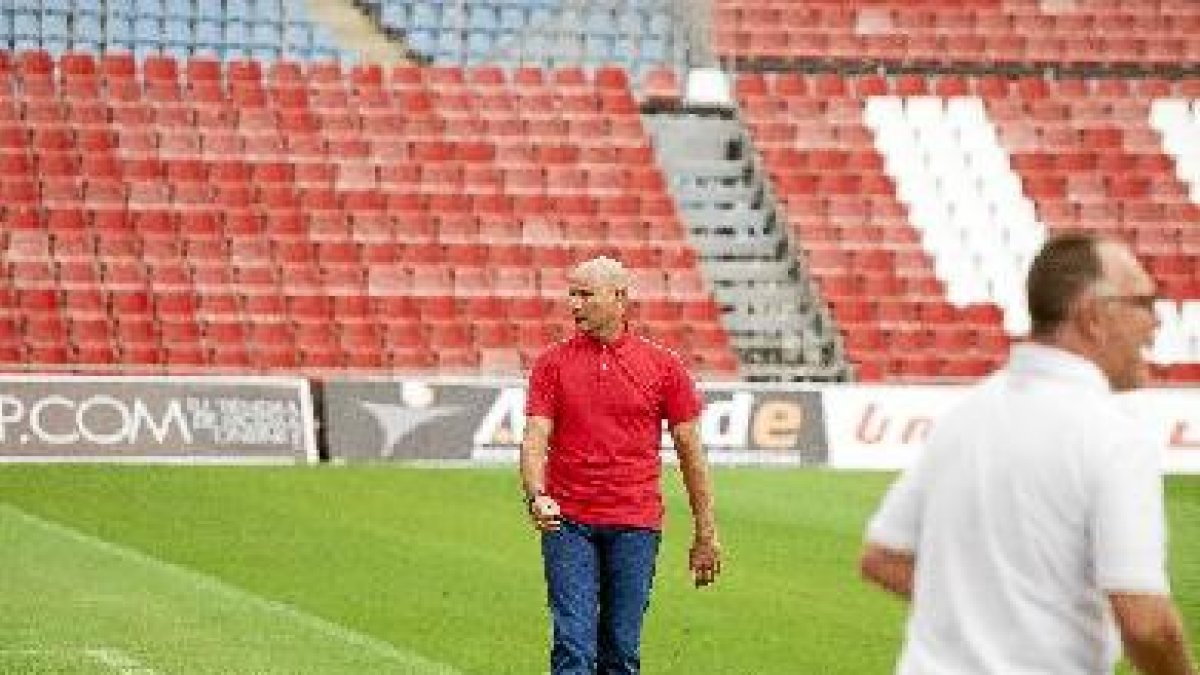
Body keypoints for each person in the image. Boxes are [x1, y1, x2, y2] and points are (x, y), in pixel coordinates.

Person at [860, 233, 1197, 675]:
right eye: (1144, 303)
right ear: (1094, 316)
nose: (1155, 323)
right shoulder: (1113, 437)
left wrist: (989, 619)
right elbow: (1147, 624)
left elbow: (883, 557)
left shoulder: (964, 415)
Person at [519, 256, 722, 675]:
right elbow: (536, 435)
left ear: (619, 297)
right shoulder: (551, 365)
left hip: (635, 525)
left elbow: (691, 451)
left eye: (584, 295)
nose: (574, 305)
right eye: (571, 294)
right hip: (567, 523)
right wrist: (537, 495)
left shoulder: (665, 368)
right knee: (573, 647)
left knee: (621, 654)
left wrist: (706, 533)